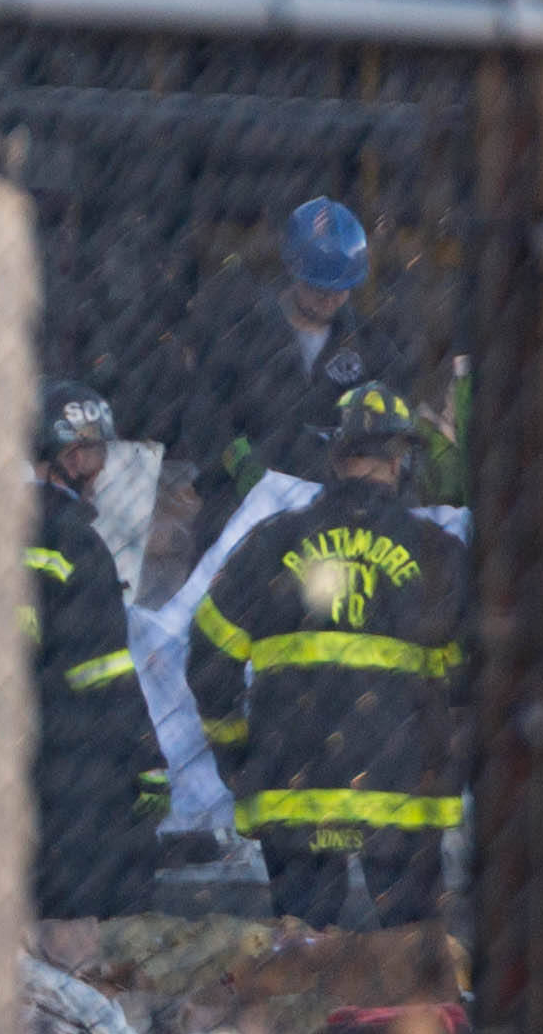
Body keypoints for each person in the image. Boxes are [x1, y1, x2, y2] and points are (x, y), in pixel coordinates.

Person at [185, 381, 467, 935]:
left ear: (334, 456)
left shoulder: (271, 544)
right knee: (409, 956)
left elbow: (209, 655)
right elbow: (477, 672)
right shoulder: (438, 555)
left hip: (295, 790)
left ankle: (305, 1012)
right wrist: (448, 758)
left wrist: (236, 757)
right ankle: (405, 1019)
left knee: (300, 954)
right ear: (401, 460)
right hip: (403, 796)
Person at [26, 381, 168, 918]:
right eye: (100, 453)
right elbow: (102, 673)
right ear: (74, 454)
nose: (104, 469)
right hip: (70, 772)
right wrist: (147, 761)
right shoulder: (72, 541)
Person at [190, 197, 422, 504]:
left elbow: (399, 429)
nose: (330, 299)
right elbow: (204, 416)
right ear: (294, 272)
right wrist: (241, 464)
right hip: (254, 501)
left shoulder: (372, 350)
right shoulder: (242, 336)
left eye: (341, 289)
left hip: (343, 501)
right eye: (319, 289)